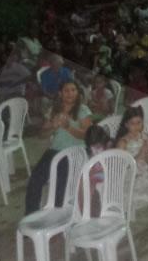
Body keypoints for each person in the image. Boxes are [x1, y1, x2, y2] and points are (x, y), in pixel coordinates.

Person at [25, 81, 92, 214]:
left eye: (73, 90)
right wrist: (52, 126)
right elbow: (42, 135)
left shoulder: (83, 110)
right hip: (55, 150)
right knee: (35, 179)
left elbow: (87, 136)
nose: (70, 94)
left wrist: (68, 126)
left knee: (60, 184)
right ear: (60, 93)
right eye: (66, 90)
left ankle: (58, 218)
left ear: (77, 93)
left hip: (75, 151)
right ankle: (30, 216)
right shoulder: (54, 110)